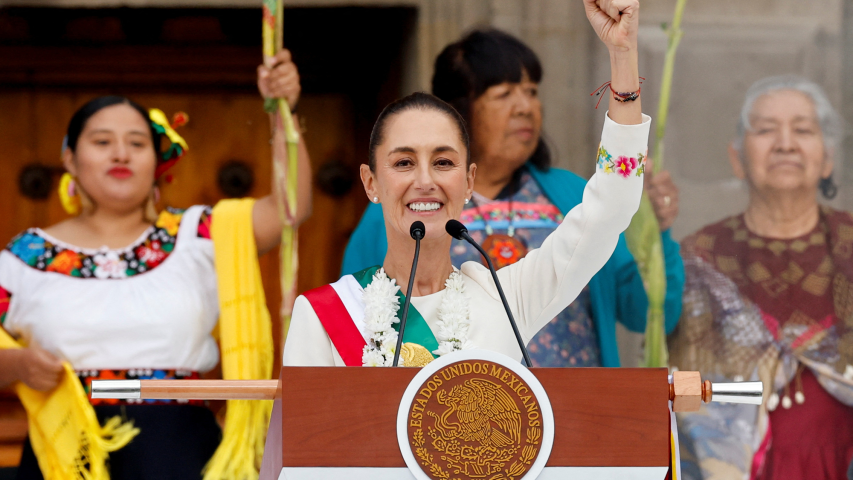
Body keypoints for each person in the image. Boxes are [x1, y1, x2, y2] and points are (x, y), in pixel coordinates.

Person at [283, 0, 650, 367]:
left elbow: (611, 208)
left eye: (443, 162)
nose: (425, 181)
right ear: (370, 182)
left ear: (469, 180)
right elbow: (305, 426)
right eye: (404, 163)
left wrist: (623, 55)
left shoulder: (507, 299)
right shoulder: (323, 316)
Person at [0, 50, 311, 480]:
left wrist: (283, 113)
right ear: (70, 158)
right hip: (66, 453)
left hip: (178, 449)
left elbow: (289, 208)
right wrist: (16, 366)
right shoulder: (26, 256)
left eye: (138, 143)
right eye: (102, 142)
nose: (121, 154)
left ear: (157, 161)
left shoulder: (200, 233)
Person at [668, 75, 853, 480]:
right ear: (737, 157)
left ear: (827, 158)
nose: (785, 143)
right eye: (766, 130)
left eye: (803, 130)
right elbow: (680, 393)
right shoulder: (699, 258)